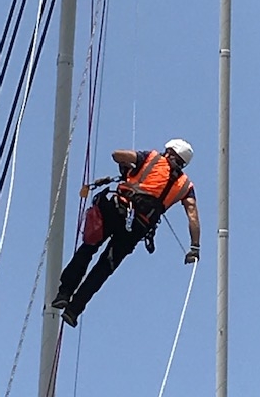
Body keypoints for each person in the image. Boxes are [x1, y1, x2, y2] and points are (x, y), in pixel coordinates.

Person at [51, 138, 201, 327]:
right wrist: (194, 247)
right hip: (136, 228)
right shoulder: (185, 185)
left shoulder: (152, 158)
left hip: (117, 209)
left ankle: (64, 293)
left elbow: (117, 154)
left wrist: (129, 168)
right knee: (104, 268)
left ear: (169, 151)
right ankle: (74, 311)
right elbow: (193, 215)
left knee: (88, 248)